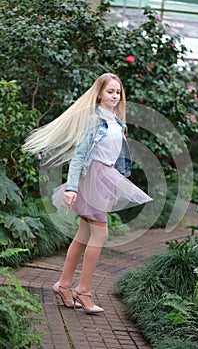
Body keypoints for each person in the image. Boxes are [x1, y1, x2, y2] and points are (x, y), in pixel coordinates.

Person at [24, 73, 152, 314]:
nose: (115, 96)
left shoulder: (116, 120)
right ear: (99, 94)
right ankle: (83, 290)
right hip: (91, 179)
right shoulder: (95, 122)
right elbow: (79, 157)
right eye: (110, 91)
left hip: (104, 178)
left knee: (83, 235)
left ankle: (63, 285)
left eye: (118, 92)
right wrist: (71, 187)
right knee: (99, 234)